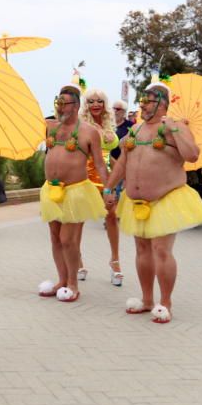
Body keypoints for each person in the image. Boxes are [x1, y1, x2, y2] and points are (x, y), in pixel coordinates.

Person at [104, 78, 202, 324]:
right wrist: (109, 188)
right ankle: (147, 299)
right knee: (142, 249)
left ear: (162, 103)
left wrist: (173, 128)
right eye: (142, 101)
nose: (143, 106)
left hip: (166, 198)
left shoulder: (174, 127)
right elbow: (122, 163)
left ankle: (166, 302)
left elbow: (192, 155)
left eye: (148, 101)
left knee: (161, 250)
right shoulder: (136, 130)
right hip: (136, 201)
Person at [38, 79, 108, 302]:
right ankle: (62, 279)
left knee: (68, 239)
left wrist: (109, 189)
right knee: (55, 238)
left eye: (65, 103)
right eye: (58, 102)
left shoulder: (89, 132)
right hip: (51, 190)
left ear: (76, 106)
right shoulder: (49, 127)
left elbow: (99, 164)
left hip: (76, 191)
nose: (60, 107)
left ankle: (73, 284)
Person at [78, 88, 122, 286]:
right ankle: (77, 261)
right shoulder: (80, 126)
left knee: (111, 217)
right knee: (77, 220)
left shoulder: (108, 127)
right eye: (91, 101)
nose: (95, 104)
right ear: (85, 104)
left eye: (100, 101)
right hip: (82, 177)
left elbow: (112, 157)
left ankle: (115, 261)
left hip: (104, 179)